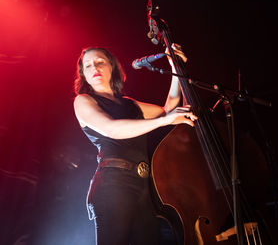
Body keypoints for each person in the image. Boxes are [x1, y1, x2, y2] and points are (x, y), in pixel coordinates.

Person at [73, 43, 197, 245]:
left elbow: (168, 110)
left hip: (142, 186)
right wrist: (164, 120)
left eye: (99, 62)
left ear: (112, 66)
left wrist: (175, 67)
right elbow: (111, 129)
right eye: (87, 66)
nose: (94, 68)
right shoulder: (83, 101)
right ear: (84, 75)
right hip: (113, 184)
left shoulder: (130, 104)